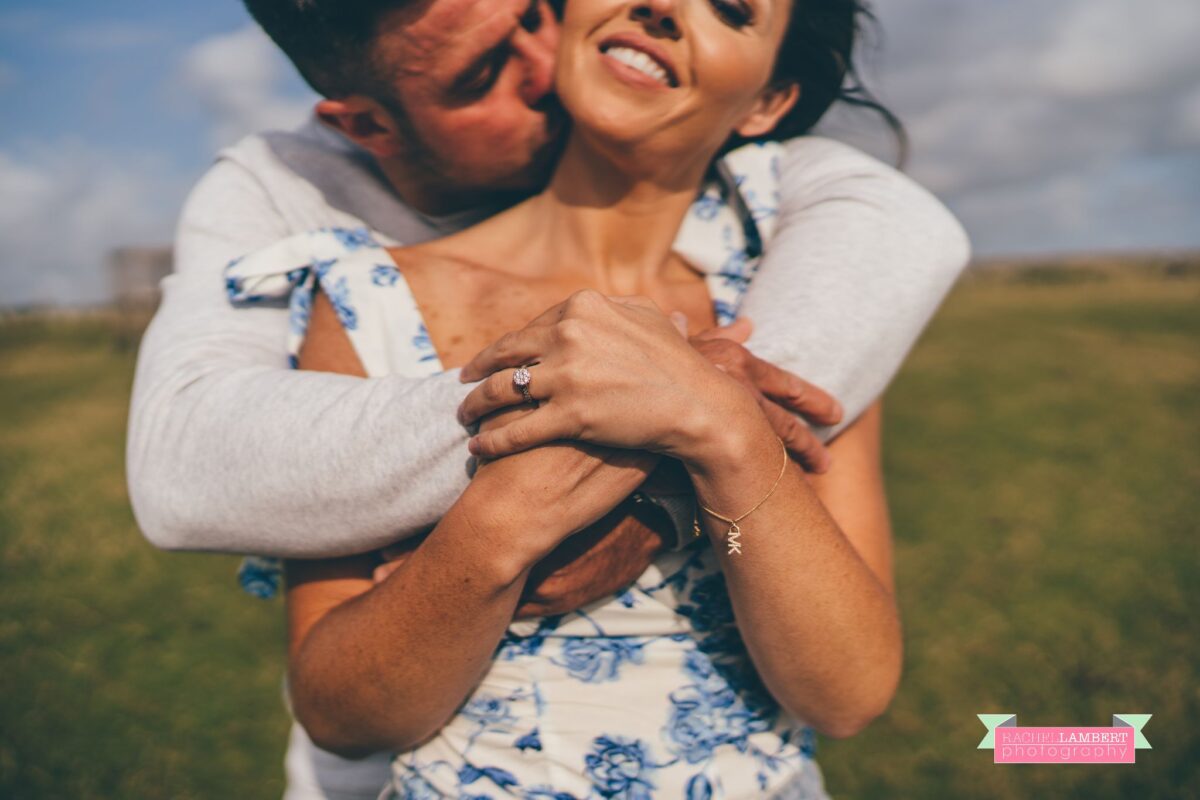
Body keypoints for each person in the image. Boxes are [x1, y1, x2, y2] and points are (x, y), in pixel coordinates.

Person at [125, 0, 968, 796]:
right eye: (484, 67)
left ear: (768, 102)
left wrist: (725, 426)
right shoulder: (366, 298)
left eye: (734, 7)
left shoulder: (783, 313)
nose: (665, 7)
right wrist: (503, 519)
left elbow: (849, 693)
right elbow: (341, 713)